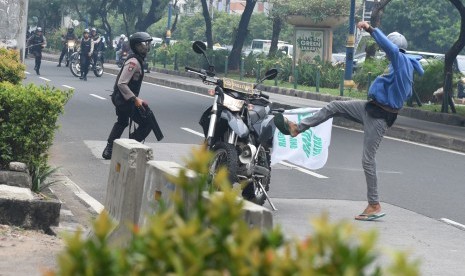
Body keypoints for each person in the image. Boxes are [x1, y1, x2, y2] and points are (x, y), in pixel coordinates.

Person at [274, 21, 424, 221]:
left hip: (379, 117)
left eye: (386, 48)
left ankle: (374, 204)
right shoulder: (399, 64)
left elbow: (390, 48)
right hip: (370, 108)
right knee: (334, 106)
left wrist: (370, 29)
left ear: (395, 47)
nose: (384, 52)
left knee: (367, 160)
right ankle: (297, 129)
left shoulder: (400, 60)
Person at [102, 32, 154, 160]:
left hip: (124, 99)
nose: (146, 47)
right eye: (143, 44)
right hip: (125, 100)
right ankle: (127, 147)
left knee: (122, 122)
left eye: (147, 44)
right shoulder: (133, 62)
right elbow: (122, 83)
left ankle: (110, 149)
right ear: (136, 46)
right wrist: (135, 99)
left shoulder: (137, 60)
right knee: (147, 122)